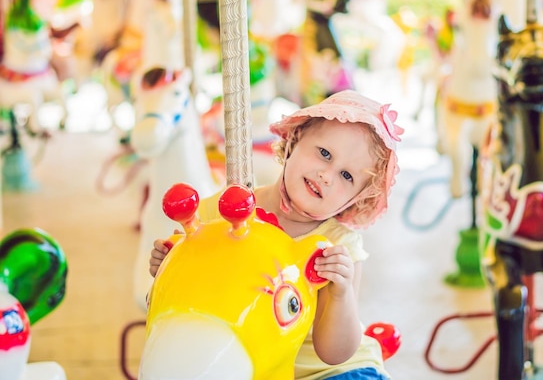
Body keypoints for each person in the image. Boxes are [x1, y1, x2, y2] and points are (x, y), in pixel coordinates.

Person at [149, 90, 403, 379]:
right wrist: (168, 265)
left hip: (327, 372)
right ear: (294, 141)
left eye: (347, 176)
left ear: (355, 199)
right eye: (324, 154)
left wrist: (340, 293)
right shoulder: (222, 211)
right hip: (247, 358)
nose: (327, 175)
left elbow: (334, 353)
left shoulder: (339, 247)